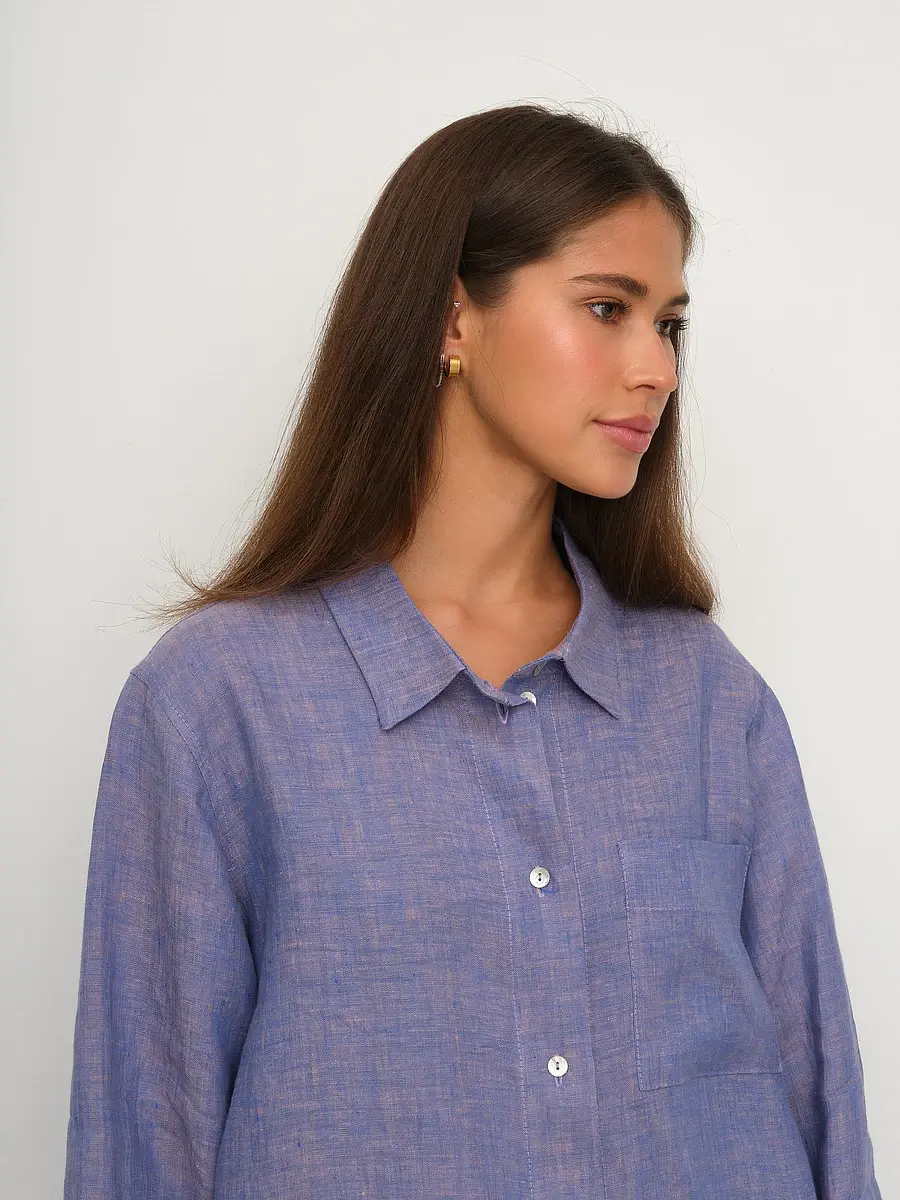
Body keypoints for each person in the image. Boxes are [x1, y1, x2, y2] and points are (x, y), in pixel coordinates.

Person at [63, 103, 882, 1198]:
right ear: (454, 317)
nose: (657, 369)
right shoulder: (219, 705)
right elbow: (145, 1132)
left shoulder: (708, 700)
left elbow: (820, 1101)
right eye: (608, 308)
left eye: (670, 326)